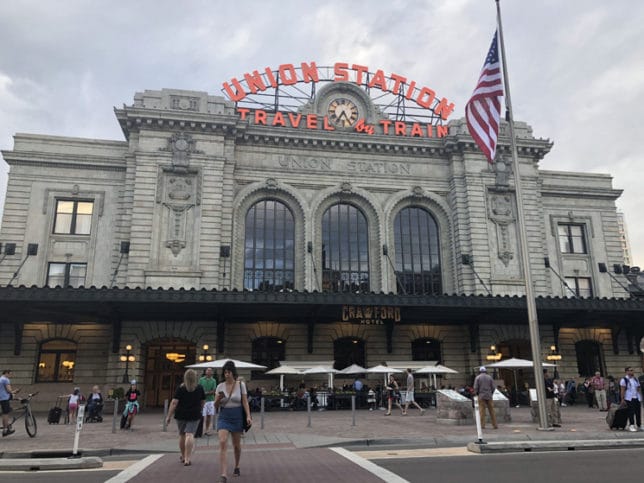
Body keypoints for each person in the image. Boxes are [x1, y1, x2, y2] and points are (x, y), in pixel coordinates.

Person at [215, 360, 252, 482]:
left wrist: (248, 416)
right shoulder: (220, 386)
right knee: (222, 441)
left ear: (233, 372)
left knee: (236, 445)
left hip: (237, 416)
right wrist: (218, 399)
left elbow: (245, 402)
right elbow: (215, 406)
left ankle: (237, 465)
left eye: (229, 372)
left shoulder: (240, 385)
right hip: (224, 415)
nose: (227, 374)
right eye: (225, 372)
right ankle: (223, 474)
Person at [166, 369, 205, 466]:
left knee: (182, 435)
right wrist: (200, 409)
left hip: (181, 414)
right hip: (194, 414)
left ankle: (183, 456)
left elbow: (174, 402)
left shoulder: (181, 388)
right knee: (190, 434)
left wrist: (169, 416)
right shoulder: (199, 388)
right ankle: (188, 458)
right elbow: (203, 401)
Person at [620, 367, 643, 432]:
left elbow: (638, 387)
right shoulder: (624, 380)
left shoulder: (635, 379)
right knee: (631, 412)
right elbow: (622, 390)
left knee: (638, 412)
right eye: (630, 370)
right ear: (627, 372)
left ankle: (639, 425)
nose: (632, 372)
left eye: (633, 370)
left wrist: (639, 390)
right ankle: (631, 425)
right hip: (629, 398)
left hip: (636, 397)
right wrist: (622, 399)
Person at [199, 368, 217, 435]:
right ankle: (200, 429)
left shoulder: (213, 380)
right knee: (202, 415)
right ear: (205, 372)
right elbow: (199, 388)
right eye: (207, 370)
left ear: (212, 372)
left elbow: (214, 390)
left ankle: (207, 429)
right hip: (202, 400)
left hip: (210, 400)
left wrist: (206, 393)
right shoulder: (201, 379)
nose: (209, 372)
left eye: (210, 371)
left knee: (209, 415)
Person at [1, 369, 18, 437]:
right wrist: (14, 392)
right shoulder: (6, 380)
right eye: (10, 374)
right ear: (6, 373)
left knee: (4, 413)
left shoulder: (0, 379)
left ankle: (6, 426)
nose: (10, 376)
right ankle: (5, 430)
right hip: (4, 398)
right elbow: (9, 390)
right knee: (5, 414)